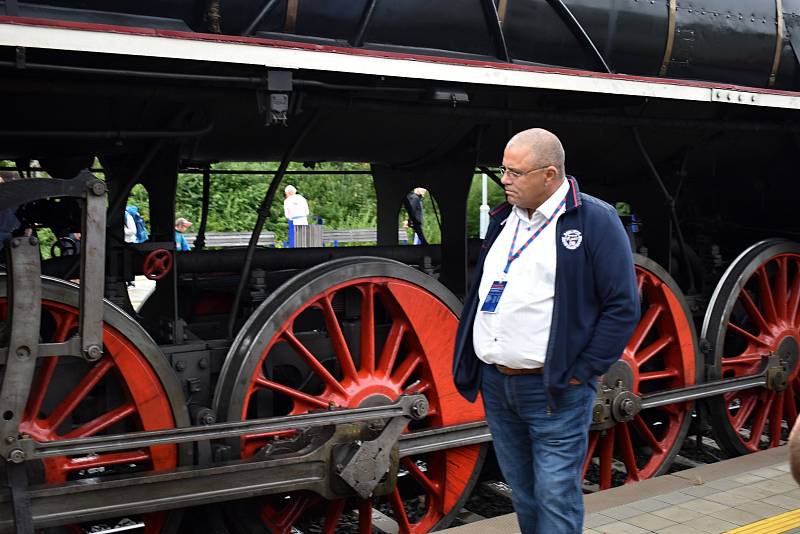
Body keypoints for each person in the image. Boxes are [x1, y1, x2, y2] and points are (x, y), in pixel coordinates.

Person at [452, 128, 640, 533]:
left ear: (549, 175)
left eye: (515, 172)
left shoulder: (595, 220)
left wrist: (582, 368)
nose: (504, 179)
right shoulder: (503, 219)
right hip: (499, 386)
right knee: (523, 492)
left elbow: (622, 306)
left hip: (554, 388)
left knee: (555, 496)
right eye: (503, 169)